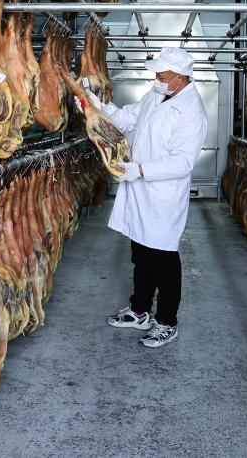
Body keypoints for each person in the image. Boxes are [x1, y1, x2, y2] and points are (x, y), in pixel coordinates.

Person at [85, 46, 209, 347]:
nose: (157, 78)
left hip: (162, 197)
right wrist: (98, 106)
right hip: (140, 190)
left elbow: (182, 163)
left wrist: (139, 169)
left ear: (180, 78)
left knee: (163, 260)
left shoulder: (193, 112)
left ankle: (167, 321)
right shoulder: (157, 94)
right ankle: (139, 310)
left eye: (162, 75)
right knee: (140, 253)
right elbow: (128, 120)